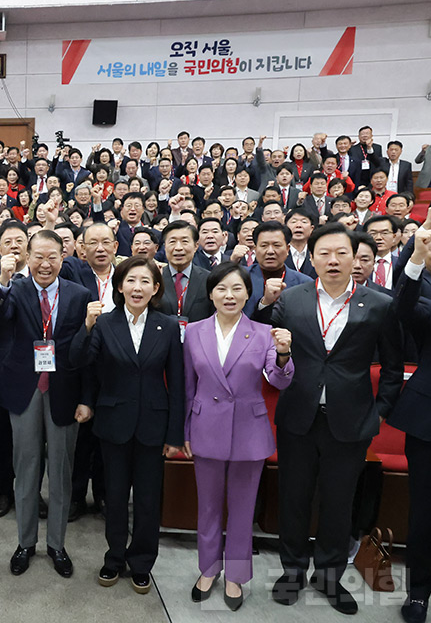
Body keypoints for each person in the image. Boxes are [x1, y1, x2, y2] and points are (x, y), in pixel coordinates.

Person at [253, 223, 403, 615]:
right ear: (312, 257)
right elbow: (262, 342)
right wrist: (265, 304)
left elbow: (392, 367)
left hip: (351, 421)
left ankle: (329, 576)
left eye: (341, 253)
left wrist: (380, 412)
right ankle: (292, 571)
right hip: (299, 416)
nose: (333, 260)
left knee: (339, 503)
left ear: (356, 258)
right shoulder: (292, 299)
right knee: (294, 498)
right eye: (324, 253)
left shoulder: (379, 304)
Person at [183, 262, 294, 611]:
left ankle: (235, 575)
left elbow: (280, 380)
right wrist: (185, 430)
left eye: (237, 289)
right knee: (208, 507)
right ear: (211, 294)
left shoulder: (264, 333)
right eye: (221, 288)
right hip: (205, 427)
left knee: (243, 510)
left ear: (248, 293)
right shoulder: (194, 332)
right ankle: (208, 569)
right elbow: (188, 386)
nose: (229, 295)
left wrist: (284, 354)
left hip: (248, 430)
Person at [69, 256, 184, 594]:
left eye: (145, 281)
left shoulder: (168, 325)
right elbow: (79, 361)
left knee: (147, 500)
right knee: (115, 497)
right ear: (119, 286)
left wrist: (175, 433)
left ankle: (142, 562)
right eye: (131, 280)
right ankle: (114, 557)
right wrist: (86, 326)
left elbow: (177, 384)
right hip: (113, 422)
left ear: (156, 288)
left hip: (154, 424)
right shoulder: (105, 323)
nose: (137, 287)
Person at [0, 230, 92, 578]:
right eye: (38, 257)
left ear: (63, 257)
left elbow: (86, 351)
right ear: (27, 257)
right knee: (26, 468)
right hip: (24, 389)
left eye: (52, 257)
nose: (45, 264)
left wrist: (86, 399)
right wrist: (3, 280)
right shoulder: (15, 289)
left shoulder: (79, 294)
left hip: (65, 391)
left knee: (60, 472)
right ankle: (25, 542)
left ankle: (57, 545)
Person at [389, 228, 431, 623]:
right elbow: (402, 306)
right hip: (427, 423)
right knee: (425, 514)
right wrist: (417, 253)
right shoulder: (428, 296)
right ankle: (419, 593)